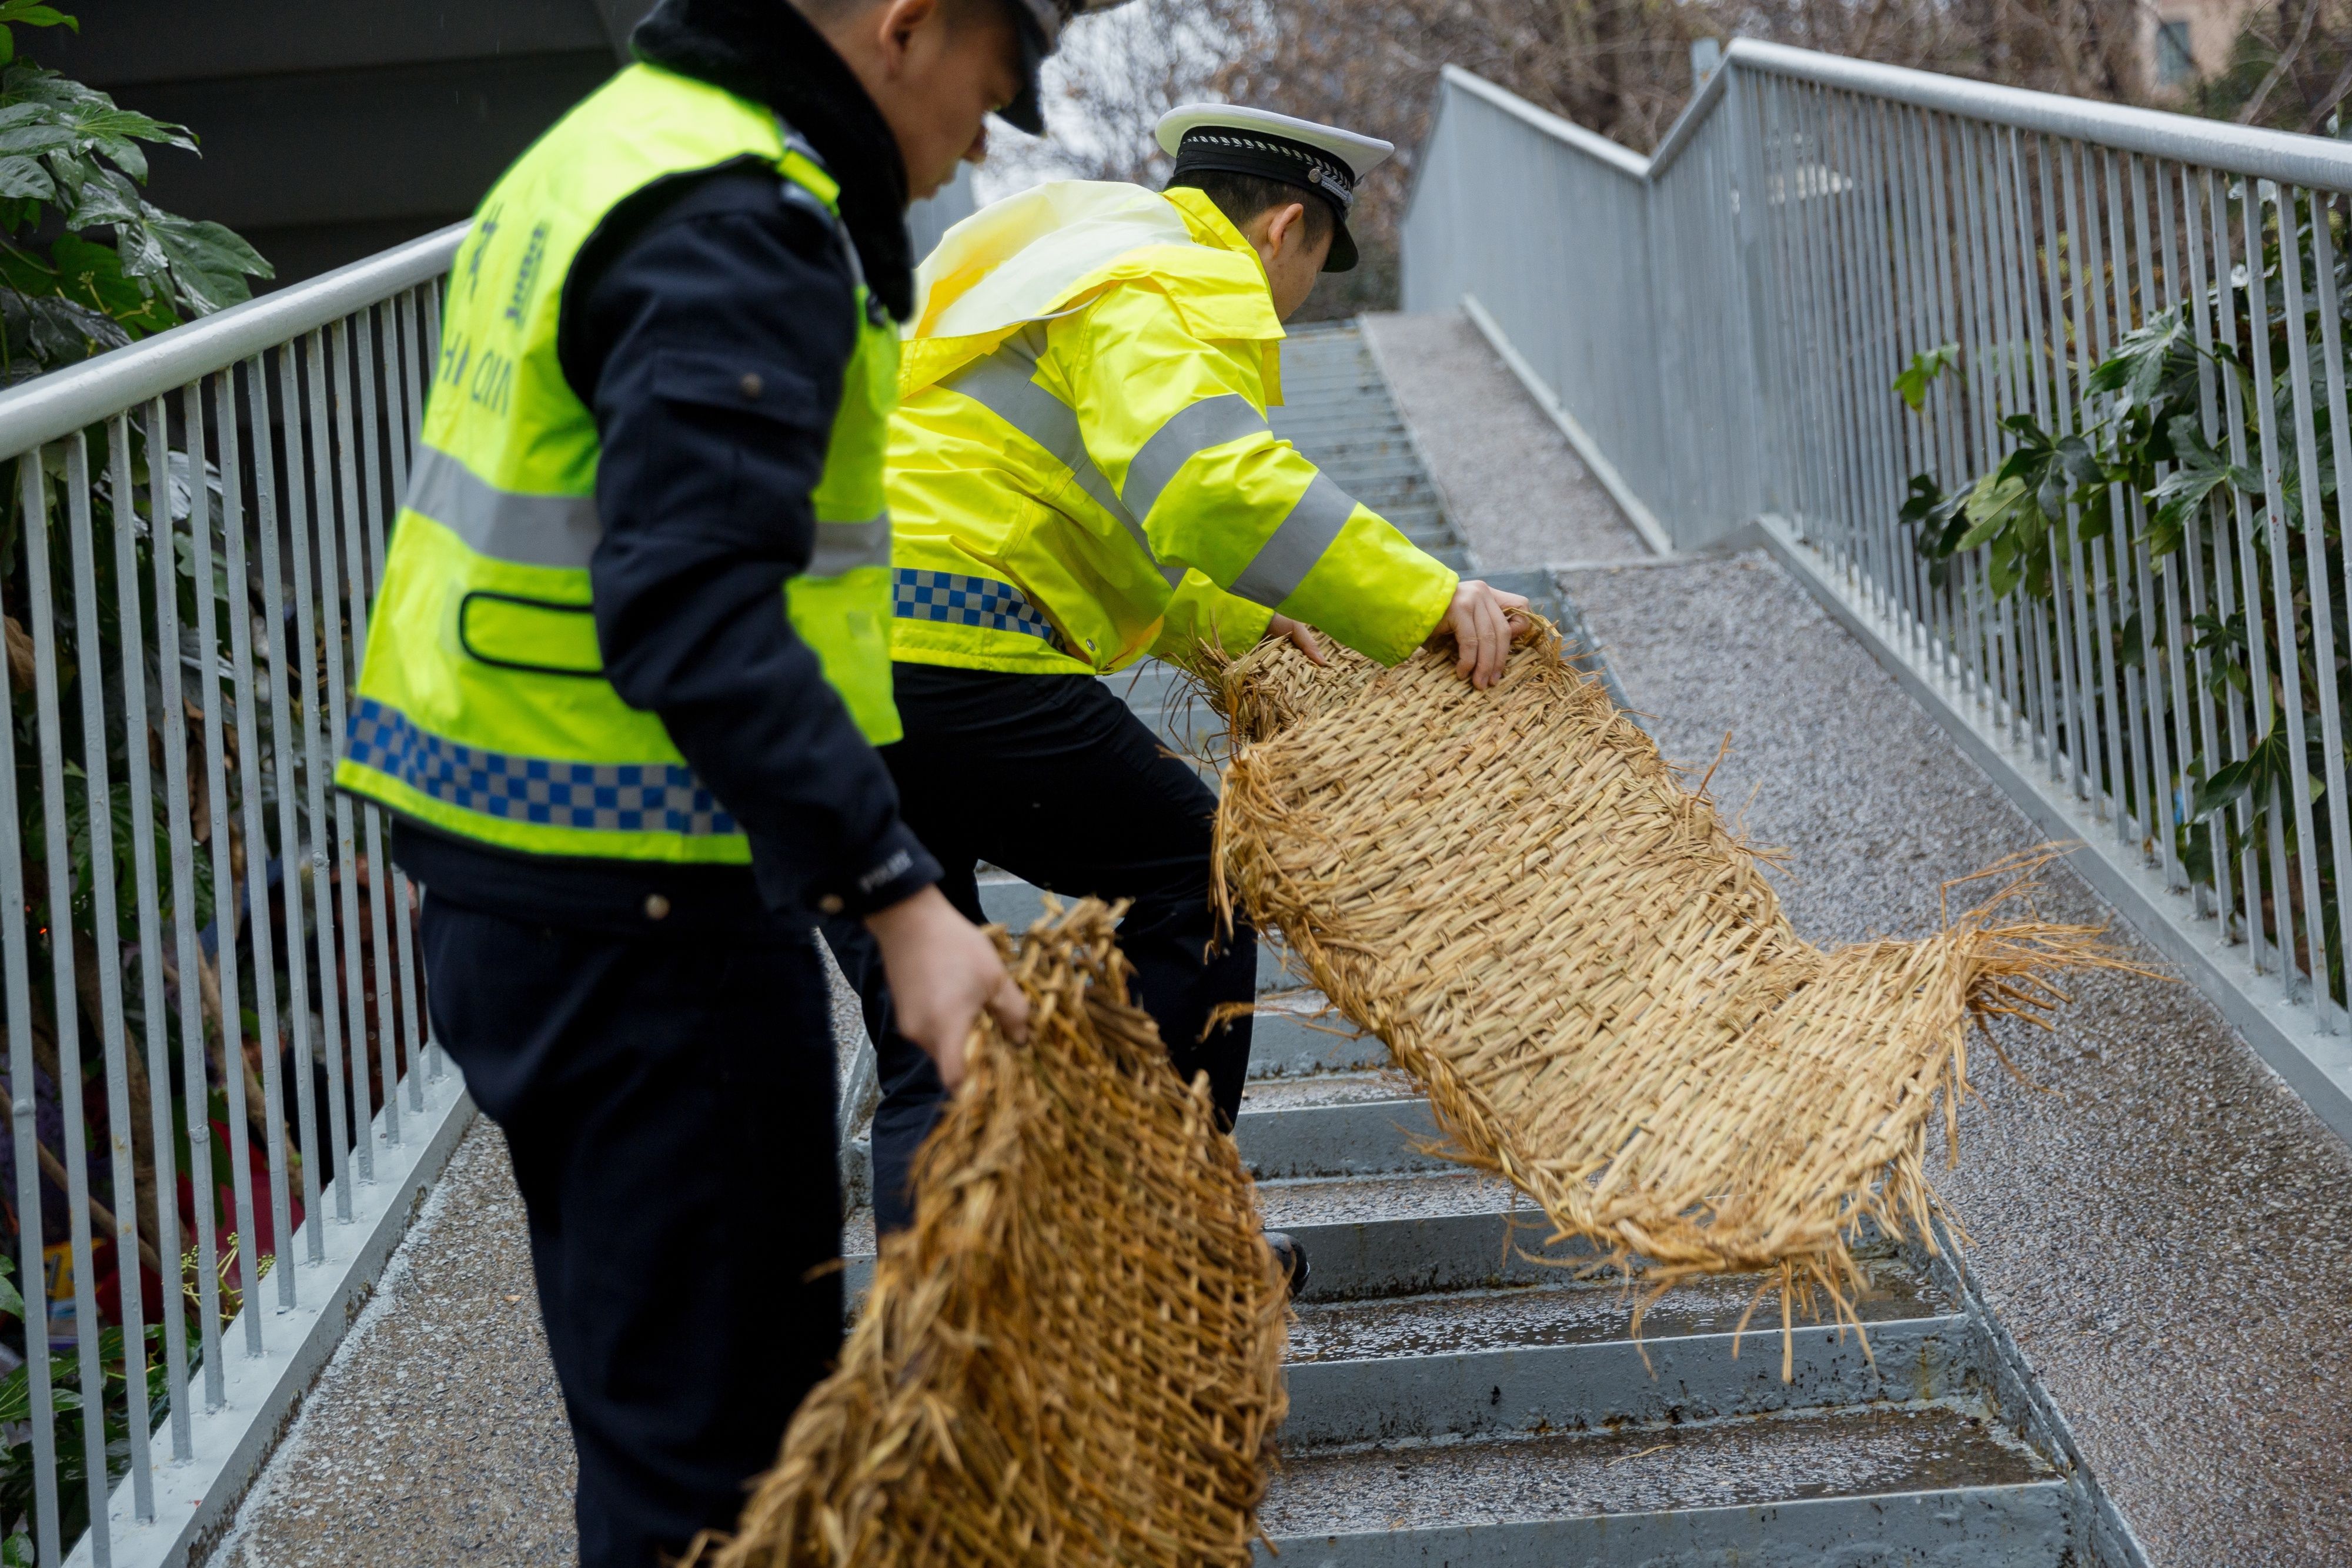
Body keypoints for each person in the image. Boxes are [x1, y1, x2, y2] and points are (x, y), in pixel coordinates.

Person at [332, 0, 1110, 1558]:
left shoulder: (608, 150)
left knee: (667, 1431)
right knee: (723, 1479)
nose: (975, 142)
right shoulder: (740, 212)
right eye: (989, 90)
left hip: (530, 890)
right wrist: (900, 897)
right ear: (906, 26)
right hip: (648, 924)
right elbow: (688, 601)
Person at [827, 105, 1531, 1282]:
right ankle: (1163, 1238)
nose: (1298, 301)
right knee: (1195, 874)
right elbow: (1206, 485)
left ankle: (943, 1371)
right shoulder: (1177, 275)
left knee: (924, 1040)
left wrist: (1255, 618)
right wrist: (1422, 597)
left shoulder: (1068, 253)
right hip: (962, 655)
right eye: (1313, 269)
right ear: (1284, 228)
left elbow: (1110, 501)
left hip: (823, 671)